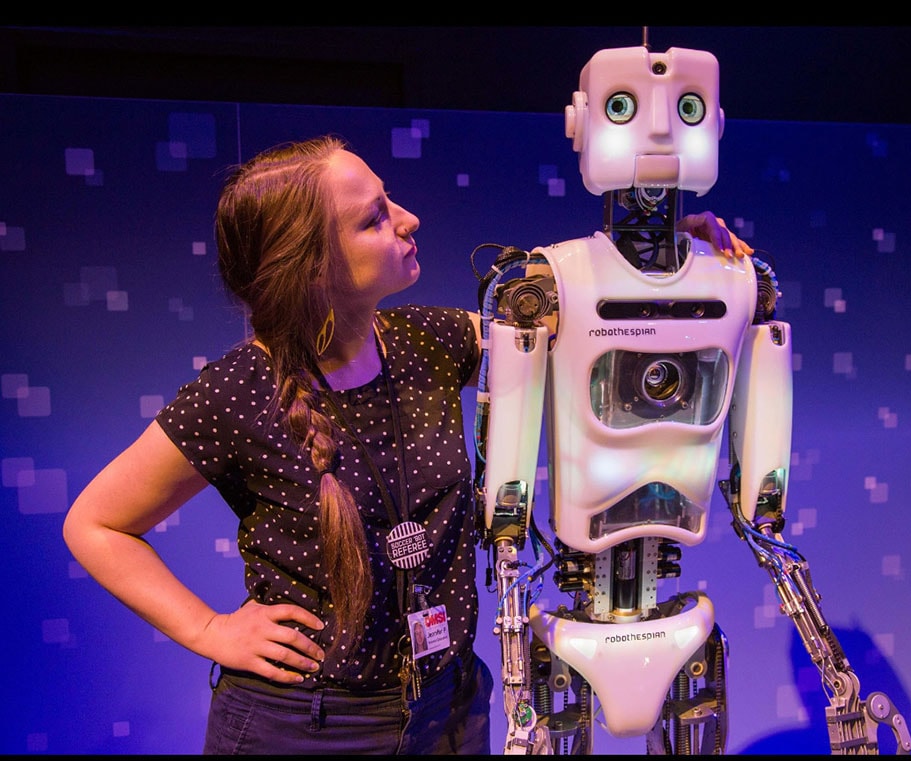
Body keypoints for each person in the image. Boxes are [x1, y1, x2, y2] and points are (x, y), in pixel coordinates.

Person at [62, 134, 751, 755]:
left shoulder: (431, 339)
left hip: (448, 709)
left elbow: (594, 332)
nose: (407, 218)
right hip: (305, 727)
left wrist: (661, 267)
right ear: (310, 267)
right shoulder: (239, 392)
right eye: (373, 218)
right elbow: (96, 523)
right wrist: (210, 629)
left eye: (387, 199)